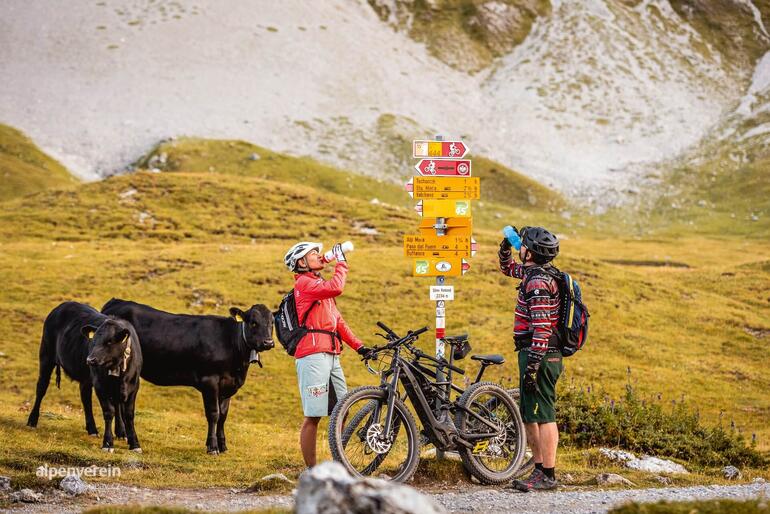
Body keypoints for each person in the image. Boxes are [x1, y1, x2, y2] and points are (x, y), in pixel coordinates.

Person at [283, 241, 372, 468]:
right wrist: (341, 262)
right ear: (302, 262)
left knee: (342, 408)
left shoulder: (317, 284)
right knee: (313, 415)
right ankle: (312, 471)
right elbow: (337, 287)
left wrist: (359, 346)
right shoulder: (303, 284)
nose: (319, 256)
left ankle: (338, 464)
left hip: (331, 353)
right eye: (313, 254)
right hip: (312, 356)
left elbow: (337, 321)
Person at [498, 226, 562, 491]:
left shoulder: (537, 282)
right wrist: (504, 246)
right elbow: (507, 268)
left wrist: (534, 362)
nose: (518, 247)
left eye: (521, 244)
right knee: (531, 414)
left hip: (541, 354)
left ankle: (548, 475)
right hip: (535, 353)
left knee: (544, 414)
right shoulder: (533, 272)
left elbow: (542, 325)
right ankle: (538, 471)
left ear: (530, 252)